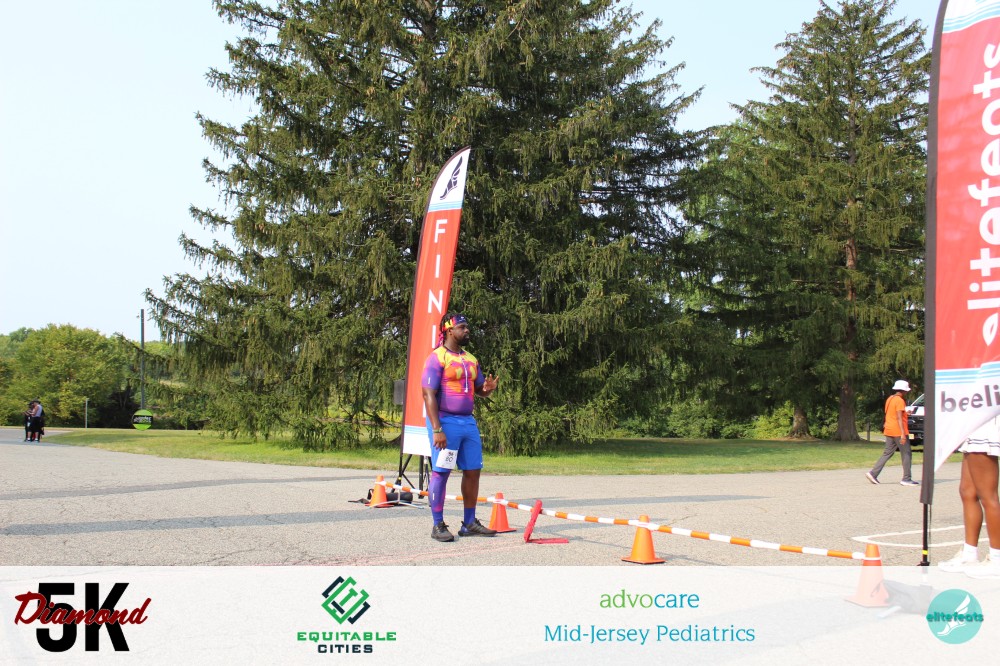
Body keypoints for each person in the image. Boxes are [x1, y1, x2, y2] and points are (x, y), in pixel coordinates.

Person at [421, 313, 499, 542]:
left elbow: (479, 389)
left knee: (473, 470)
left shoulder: (471, 359)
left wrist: (488, 389)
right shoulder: (437, 357)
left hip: (468, 423)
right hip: (446, 422)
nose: (467, 330)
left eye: (467, 327)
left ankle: (469, 522)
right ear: (448, 330)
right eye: (462, 327)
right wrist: (437, 429)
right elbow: (428, 394)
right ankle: (438, 525)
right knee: (442, 472)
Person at [938, 418, 1000, 578]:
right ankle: (969, 554)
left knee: (988, 496)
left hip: (984, 425)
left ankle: (997, 559)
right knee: (967, 491)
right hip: (971, 425)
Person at [866, 379, 919, 486]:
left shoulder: (890, 399)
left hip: (889, 429)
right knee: (906, 453)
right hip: (898, 430)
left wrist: (906, 413)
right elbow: (899, 418)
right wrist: (903, 434)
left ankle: (873, 473)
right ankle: (906, 478)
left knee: (887, 453)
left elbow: (893, 413)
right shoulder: (900, 401)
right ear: (904, 391)